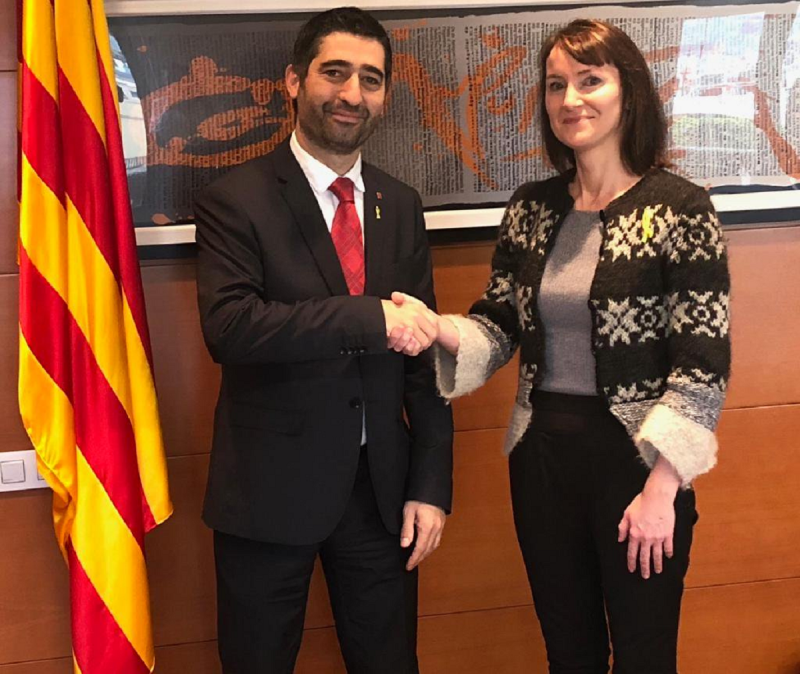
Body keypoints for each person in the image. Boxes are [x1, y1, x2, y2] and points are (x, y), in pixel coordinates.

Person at [405, 18, 730, 674]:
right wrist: (440, 328)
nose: (570, 99)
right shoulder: (532, 208)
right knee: (569, 653)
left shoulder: (681, 208)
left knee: (644, 655)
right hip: (543, 458)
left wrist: (664, 489)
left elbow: (702, 364)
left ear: (627, 92)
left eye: (589, 81)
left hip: (638, 463)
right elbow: (500, 324)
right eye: (556, 85)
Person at [193, 8, 453, 673]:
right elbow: (231, 328)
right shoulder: (235, 199)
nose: (351, 93)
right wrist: (369, 319)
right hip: (267, 494)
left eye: (370, 78)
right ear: (293, 81)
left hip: (381, 495)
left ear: (385, 94)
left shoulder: (401, 204)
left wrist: (430, 484)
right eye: (334, 73)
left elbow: (423, 357)